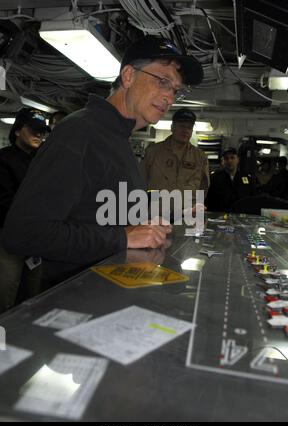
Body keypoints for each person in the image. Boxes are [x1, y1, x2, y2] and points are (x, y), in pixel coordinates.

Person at [3, 35, 203, 290]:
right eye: (163, 81)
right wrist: (121, 238)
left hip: (109, 289)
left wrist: (169, 214)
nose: (170, 97)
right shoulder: (79, 133)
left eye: (175, 89)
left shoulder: (116, 138)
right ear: (128, 76)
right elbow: (23, 233)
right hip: (74, 296)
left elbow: (101, 209)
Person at [0, 107, 50, 313]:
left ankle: (24, 330)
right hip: (9, 236)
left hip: (36, 238)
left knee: (32, 290)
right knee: (6, 289)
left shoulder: (43, 160)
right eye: (33, 130)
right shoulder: (3, 159)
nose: (39, 135)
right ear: (18, 130)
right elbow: (4, 202)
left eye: (42, 131)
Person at [141, 108, 210, 204]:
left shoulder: (200, 157)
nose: (185, 130)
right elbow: (140, 183)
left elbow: (204, 187)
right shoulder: (153, 152)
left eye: (189, 127)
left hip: (186, 214)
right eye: (182, 126)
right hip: (157, 213)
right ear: (172, 127)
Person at [205, 147, 254, 212]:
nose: (229, 161)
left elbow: (251, 199)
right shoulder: (214, 178)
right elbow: (208, 200)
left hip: (241, 217)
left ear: (238, 160)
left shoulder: (247, 178)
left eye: (232, 157)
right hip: (220, 217)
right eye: (226, 158)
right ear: (222, 161)